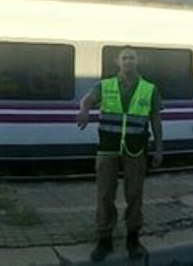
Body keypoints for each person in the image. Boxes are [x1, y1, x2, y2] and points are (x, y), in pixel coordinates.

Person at [76, 47, 163, 262]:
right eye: (124, 58)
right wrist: (84, 110)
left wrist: (159, 147)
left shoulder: (149, 89)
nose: (128, 61)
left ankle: (132, 239)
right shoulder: (105, 85)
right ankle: (104, 239)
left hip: (136, 149)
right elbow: (88, 98)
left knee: (134, 194)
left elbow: (155, 119)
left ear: (137, 61)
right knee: (105, 194)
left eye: (131, 58)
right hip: (108, 148)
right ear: (118, 62)